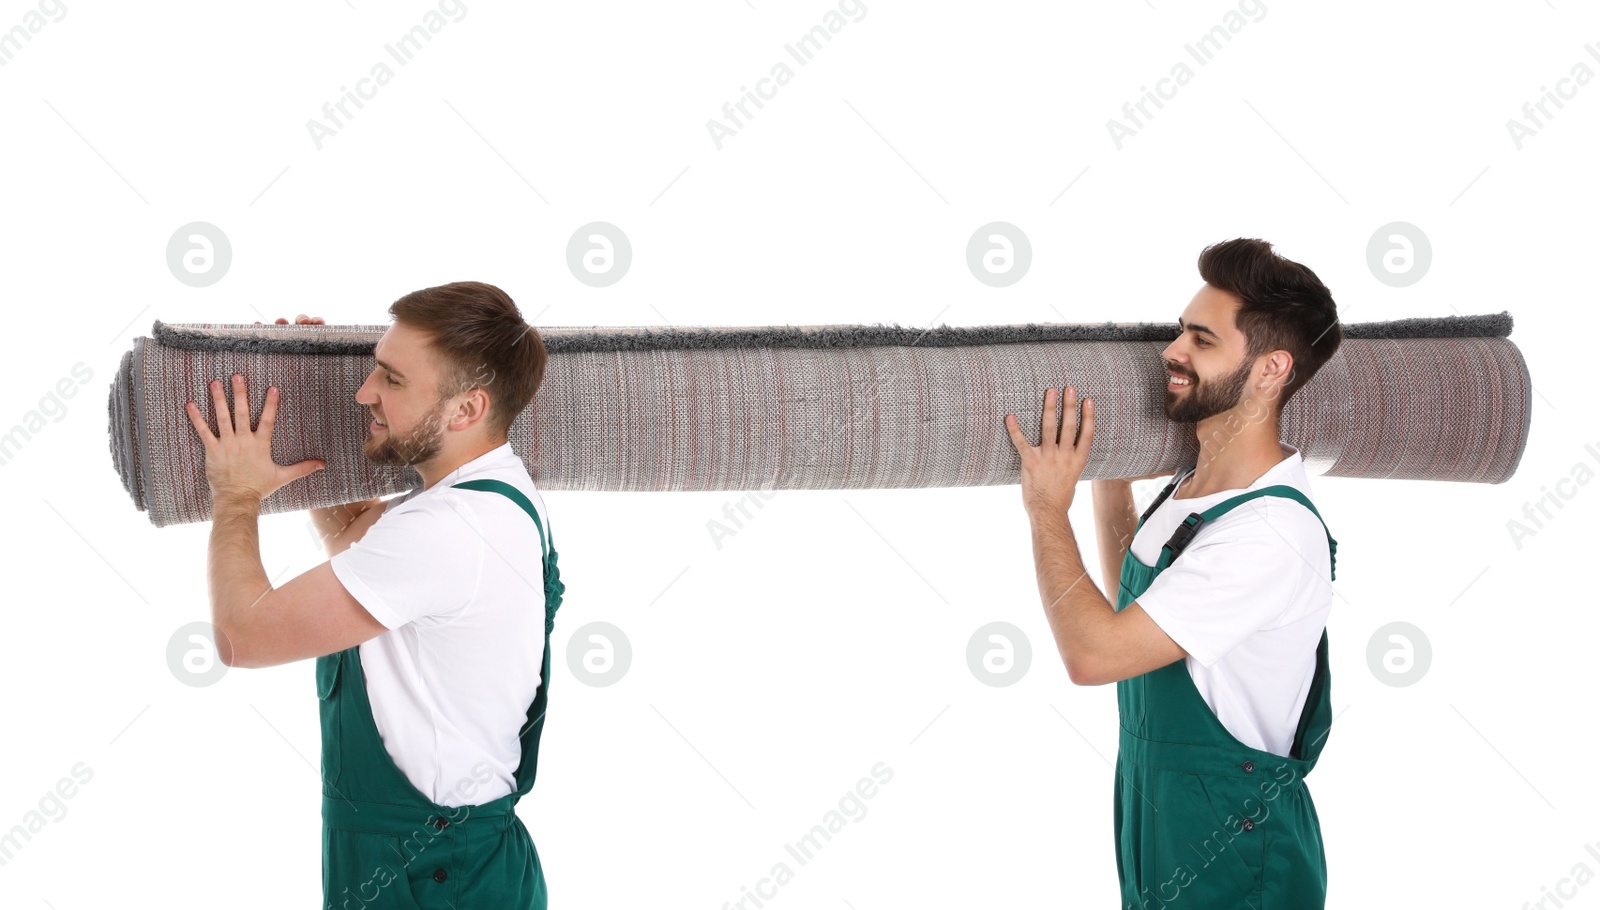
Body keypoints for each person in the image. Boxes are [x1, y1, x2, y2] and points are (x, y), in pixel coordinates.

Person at [183, 282, 565, 909]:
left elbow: (240, 636)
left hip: (430, 874)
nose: (365, 393)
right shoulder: (490, 498)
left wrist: (235, 494)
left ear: (465, 409)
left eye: (391, 379)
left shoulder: (449, 530)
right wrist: (305, 396)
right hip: (454, 863)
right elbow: (360, 549)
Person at [1004, 238, 1342, 908]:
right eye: (1181, 330)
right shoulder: (1195, 487)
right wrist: (1108, 486)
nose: (1173, 351)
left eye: (1202, 339)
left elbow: (1096, 654)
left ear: (1272, 370)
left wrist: (1047, 506)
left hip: (1239, 858)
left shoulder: (1269, 532)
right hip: (1161, 829)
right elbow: (1144, 620)